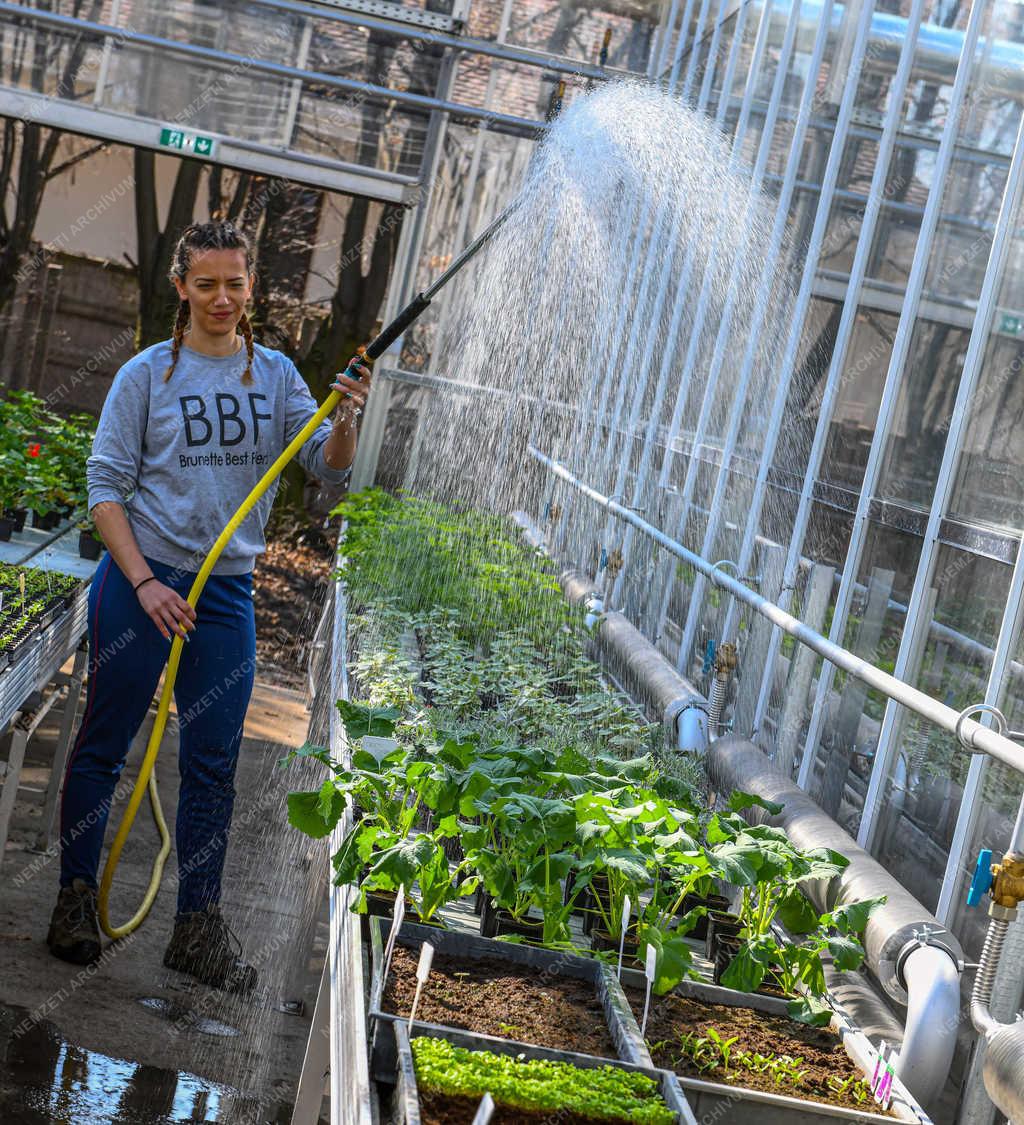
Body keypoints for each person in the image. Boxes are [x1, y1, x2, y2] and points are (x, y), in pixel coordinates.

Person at [46, 220, 371, 992]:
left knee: (213, 763)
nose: (221, 299)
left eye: (235, 283)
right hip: (141, 583)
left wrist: (347, 415)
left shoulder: (281, 377)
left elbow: (327, 473)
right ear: (181, 288)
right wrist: (147, 583)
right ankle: (73, 901)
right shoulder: (147, 376)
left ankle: (196, 926)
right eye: (206, 284)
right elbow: (104, 490)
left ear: (251, 287)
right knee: (104, 742)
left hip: (223, 595)